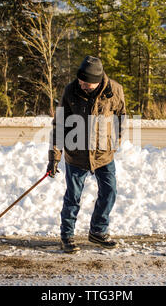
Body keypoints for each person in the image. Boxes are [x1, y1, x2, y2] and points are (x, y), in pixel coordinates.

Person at [47, 55, 126, 253]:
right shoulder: (70, 90)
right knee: (73, 197)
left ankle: (98, 232)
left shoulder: (114, 90)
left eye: (87, 83)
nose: (82, 85)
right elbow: (59, 124)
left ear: (98, 81)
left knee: (110, 192)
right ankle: (67, 236)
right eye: (81, 81)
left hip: (103, 155)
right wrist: (54, 156)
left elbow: (120, 118)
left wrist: (114, 143)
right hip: (77, 155)